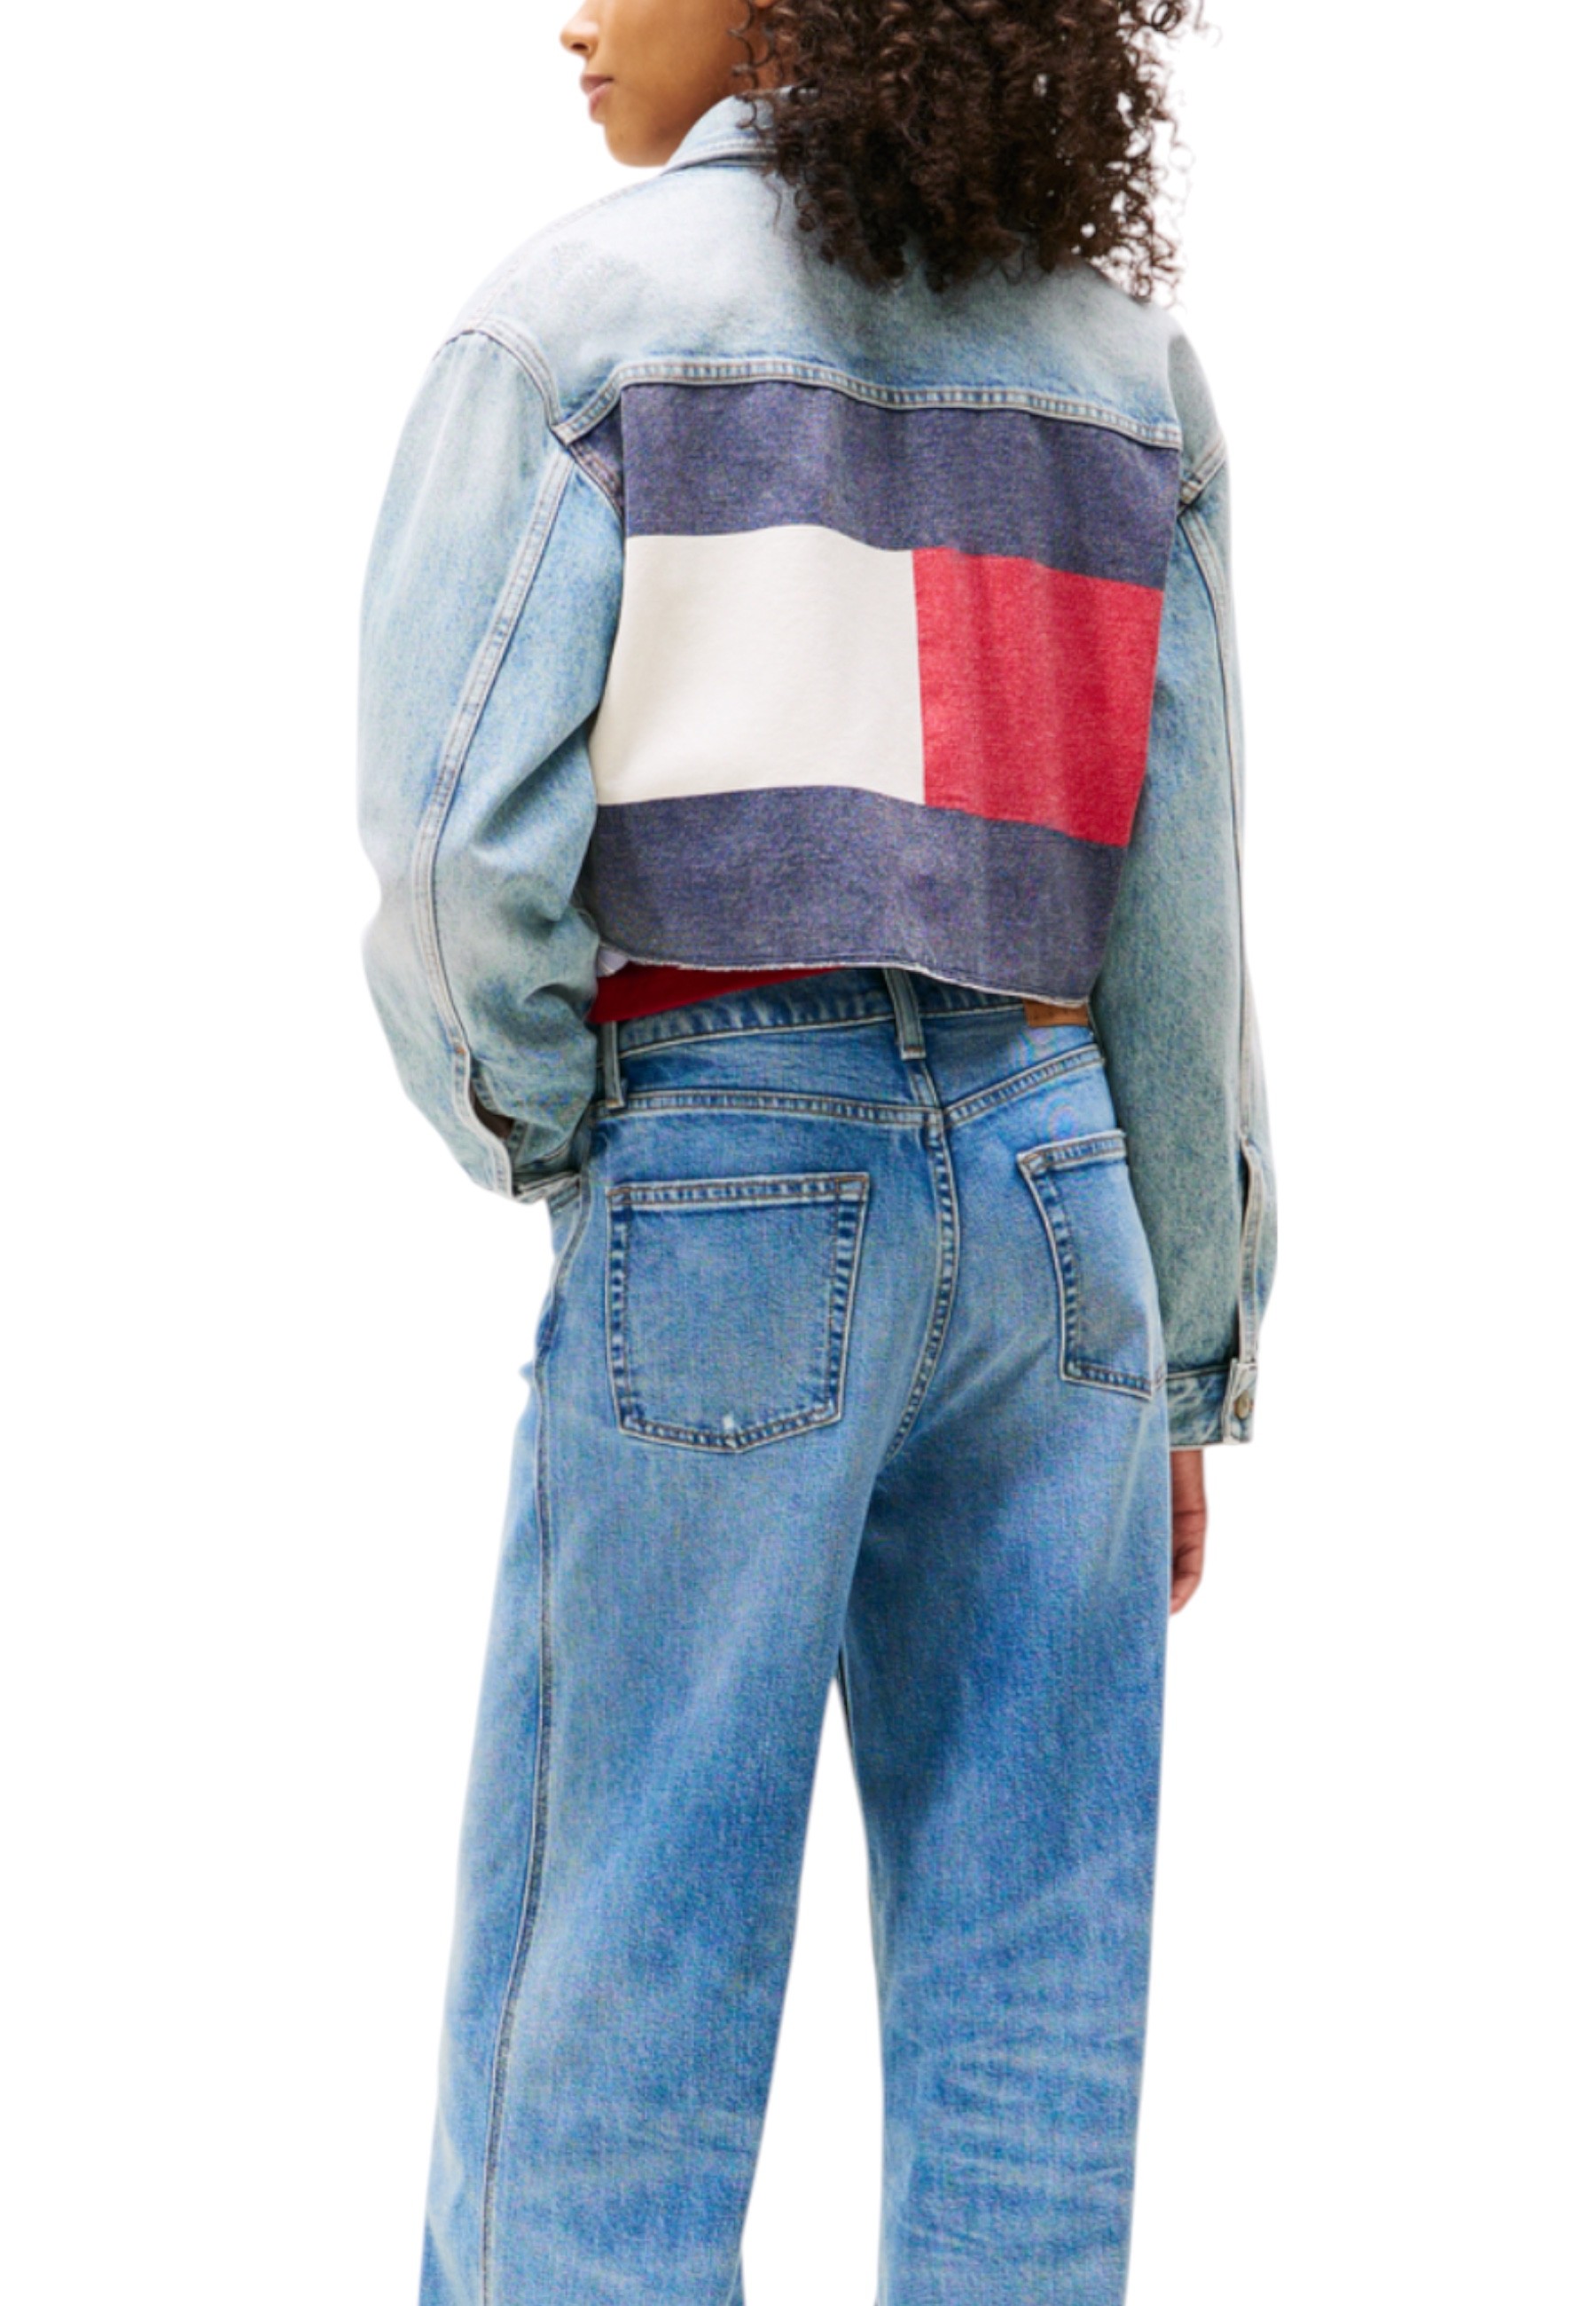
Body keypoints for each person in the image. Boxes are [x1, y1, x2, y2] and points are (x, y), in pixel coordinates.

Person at [356, 1, 1277, 2299]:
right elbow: (1178, 917)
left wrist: (559, 1126)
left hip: (725, 1173)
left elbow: (457, 859)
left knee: (619, 1972)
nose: (575, 13)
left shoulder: (576, 332)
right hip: (1060, 1191)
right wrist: (1181, 1349)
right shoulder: (1124, 376)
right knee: (1033, 2003)